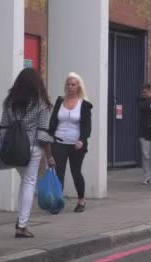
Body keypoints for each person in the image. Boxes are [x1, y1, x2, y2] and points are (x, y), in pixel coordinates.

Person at [0, 68, 55, 238]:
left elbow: (3, 127)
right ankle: (22, 225)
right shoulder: (41, 103)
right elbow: (43, 134)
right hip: (32, 148)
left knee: (24, 182)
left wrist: (6, 144)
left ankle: (21, 221)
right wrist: (50, 156)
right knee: (29, 184)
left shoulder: (9, 101)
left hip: (13, 149)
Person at [48, 73, 93, 213]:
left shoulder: (84, 104)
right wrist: (49, 139)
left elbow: (87, 126)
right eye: (68, 84)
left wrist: (82, 140)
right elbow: (53, 122)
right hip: (59, 141)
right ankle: (57, 201)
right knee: (58, 172)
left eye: (73, 84)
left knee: (76, 172)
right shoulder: (60, 101)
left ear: (78, 86)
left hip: (76, 143)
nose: (70, 87)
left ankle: (81, 200)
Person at [138, 84, 151, 185]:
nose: (143, 94)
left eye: (145, 92)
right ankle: (146, 176)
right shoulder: (142, 101)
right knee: (145, 155)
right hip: (144, 131)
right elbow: (142, 108)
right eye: (143, 93)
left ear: (150, 91)